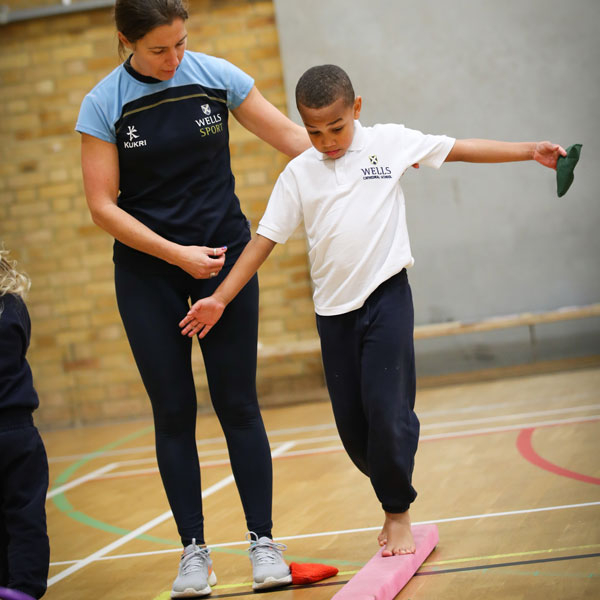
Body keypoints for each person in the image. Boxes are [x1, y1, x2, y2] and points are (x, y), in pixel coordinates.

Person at [179, 64, 567, 558]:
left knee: (386, 413)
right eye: (314, 131)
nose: (328, 141)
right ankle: (392, 458)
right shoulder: (299, 173)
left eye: (337, 128)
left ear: (356, 108)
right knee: (355, 434)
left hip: (386, 297)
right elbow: (262, 243)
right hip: (333, 315)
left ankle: (397, 510)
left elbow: (461, 148)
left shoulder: (390, 143)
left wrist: (528, 151)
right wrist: (219, 298)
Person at [75, 0, 310, 595]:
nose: (175, 58)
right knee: (173, 412)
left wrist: (362, 156)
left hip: (224, 264)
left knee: (239, 405)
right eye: (159, 49)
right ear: (126, 40)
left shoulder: (217, 77)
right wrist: (175, 254)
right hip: (150, 274)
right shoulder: (104, 103)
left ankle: (263, 542)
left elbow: (292, 139)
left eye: (181, 43)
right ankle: (194, 553)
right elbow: (102, 205)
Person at [0, 247, 50, 599]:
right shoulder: (13, 307)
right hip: (17, 429)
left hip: (14, 427)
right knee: (25, 516)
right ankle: (24, 590)